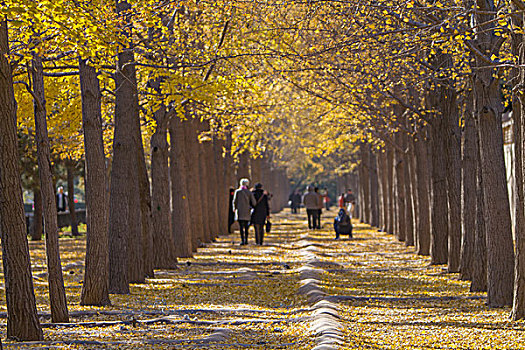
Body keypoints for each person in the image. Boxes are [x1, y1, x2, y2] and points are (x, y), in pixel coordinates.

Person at [233, 178, 256, 245]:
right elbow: (254, 202)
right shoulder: (249, 192)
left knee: (241, 227)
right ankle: (246, 240)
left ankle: (242, 240)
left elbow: (234, 201)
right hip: (247, 212)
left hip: (240, 211)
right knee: (246, 227)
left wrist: (234, 208)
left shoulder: (237, 192)